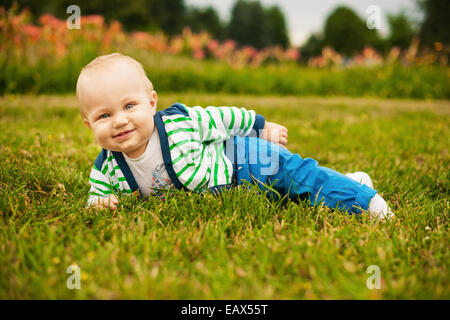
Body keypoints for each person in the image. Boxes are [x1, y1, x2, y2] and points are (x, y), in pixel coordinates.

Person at [76, 53, 393, 220]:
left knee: (299, 176)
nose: (120, 121)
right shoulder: (108, 169)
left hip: (243, 158)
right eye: (104, 115)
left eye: (129, 106)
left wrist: (260, 126)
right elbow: (96, 197)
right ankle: (353, 181)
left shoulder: (178, 125)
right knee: (294, 197)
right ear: (90, 125)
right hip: (234, 190)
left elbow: (222, 117)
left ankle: (368, 202)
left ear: (152, 103)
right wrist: (98, 205)